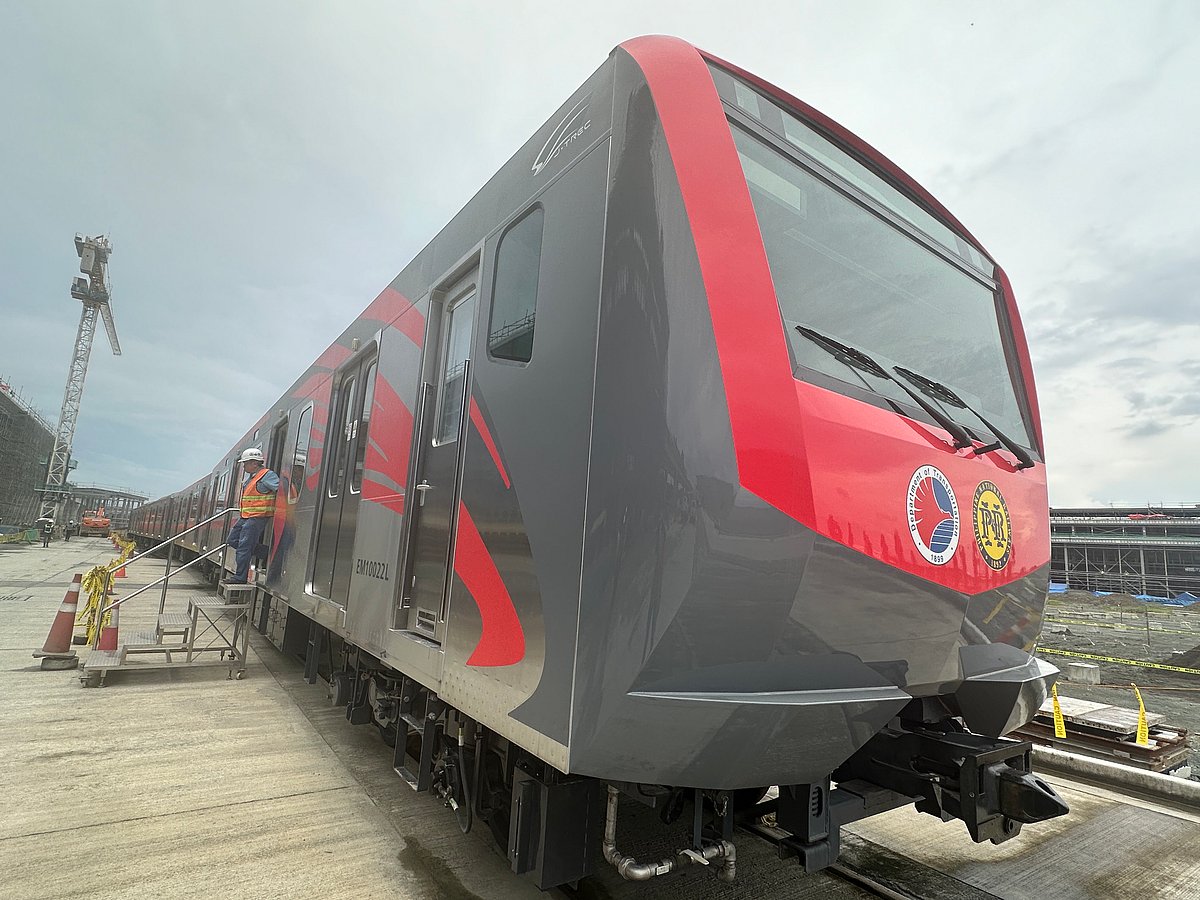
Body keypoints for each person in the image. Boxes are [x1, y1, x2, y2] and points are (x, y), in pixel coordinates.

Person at [223, 447, 279, 585]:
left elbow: (281, 489)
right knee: (232, 540)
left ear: (254, 463)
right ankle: (267, 553)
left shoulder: (267, 475)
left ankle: (240, 577)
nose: (244, 466)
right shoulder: (252, 478)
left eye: (245, 463)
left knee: (244, 546)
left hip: (257, 517)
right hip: (246, 516)